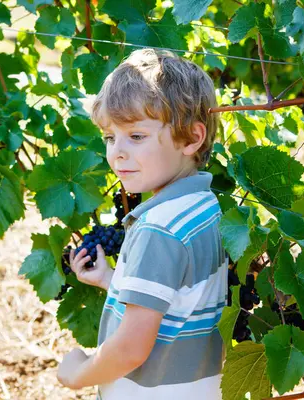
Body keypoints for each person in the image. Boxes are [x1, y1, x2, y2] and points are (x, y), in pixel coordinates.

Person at [57, 48, 227, 399]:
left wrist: (77, 374)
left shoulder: (158, 229)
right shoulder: (202, 207)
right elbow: (176, 300)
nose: (117, 152)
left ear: (192, 138)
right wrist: (112, 281)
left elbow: (130, 350)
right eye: (110, 137)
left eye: (136, 136)